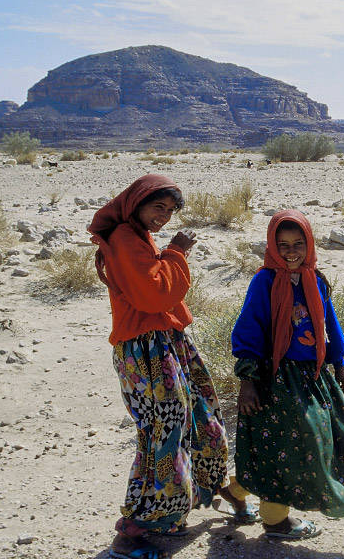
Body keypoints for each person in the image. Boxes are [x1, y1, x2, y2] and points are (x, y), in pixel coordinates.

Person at [89, 175, 243, 559]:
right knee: (163, 434)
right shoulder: (125, 237)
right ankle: (133, 531)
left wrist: (167, 252)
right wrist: (176, 252)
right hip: (146, 352)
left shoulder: (136, 235)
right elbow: (154, 294)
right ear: (138, 202)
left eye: (171, 211)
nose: (164, 217)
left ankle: (208, 487)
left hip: (164, 342)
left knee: (202, 413)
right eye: (159, 207)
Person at [223, 209, 344, 540]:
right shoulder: (264, 282)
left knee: (314, 440)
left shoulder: (315, 280)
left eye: (298, 243)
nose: (291, 251)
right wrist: (247, 381)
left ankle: (236, 490)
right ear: (272, 246)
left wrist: (339, 364)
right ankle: (275, 521)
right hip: (274, 378)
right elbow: (249, 330)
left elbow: (329, 325)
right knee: (285, 445)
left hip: (312, 378)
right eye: (283, 244)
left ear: (309, 244)